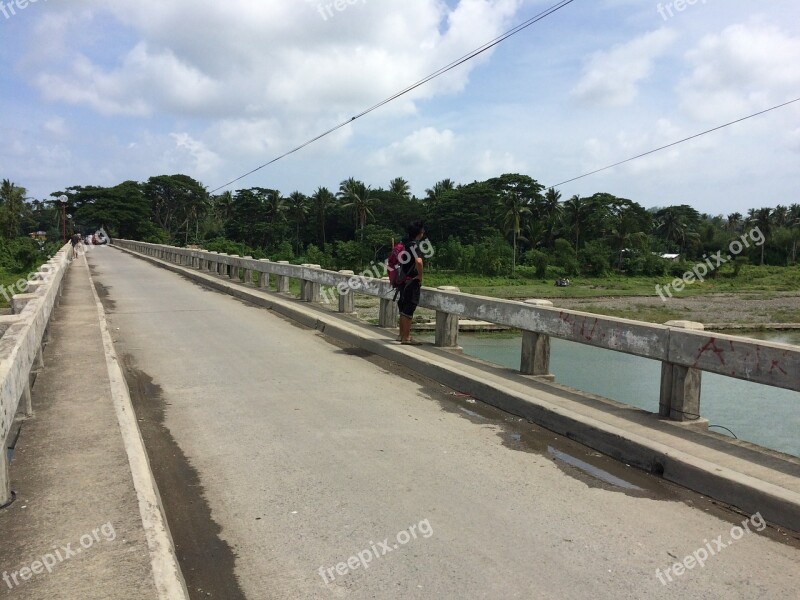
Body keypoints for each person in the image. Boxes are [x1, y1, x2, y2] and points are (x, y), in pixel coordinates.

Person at [397, 220, 426, 345]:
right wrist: (420, 275)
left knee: (403, 308)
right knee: (409, 309)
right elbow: (418, 262)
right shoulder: (415, 245)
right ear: (420, 232)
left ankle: (401, 335)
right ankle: (406, 337)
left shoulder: (404, 242)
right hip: (411, 281)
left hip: (402, 279)